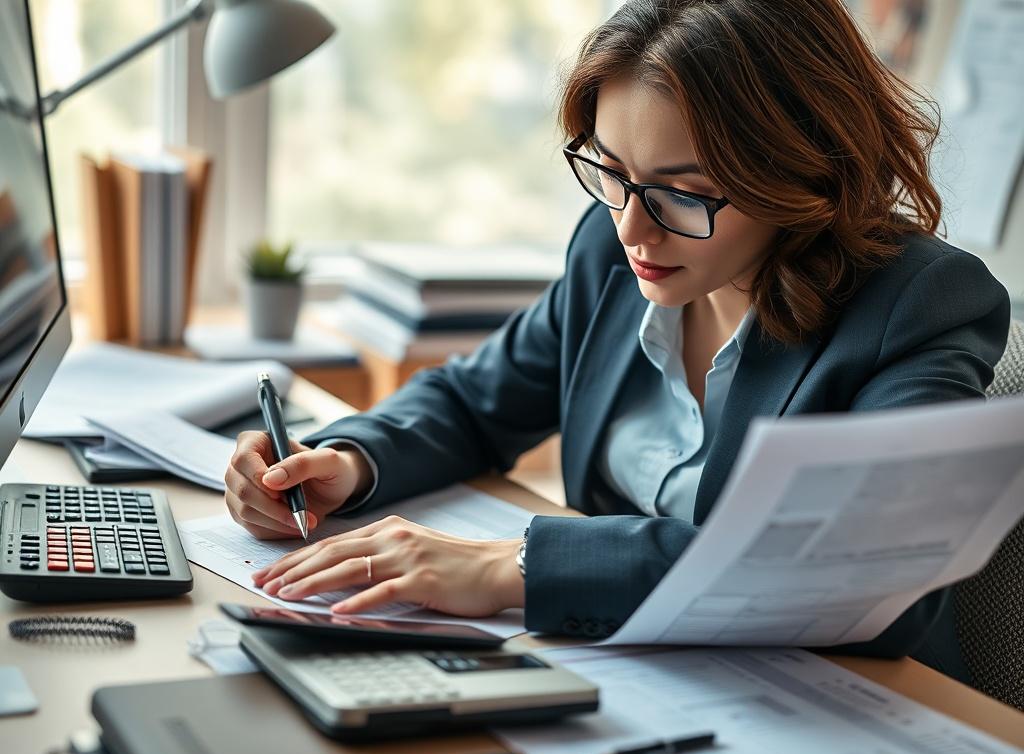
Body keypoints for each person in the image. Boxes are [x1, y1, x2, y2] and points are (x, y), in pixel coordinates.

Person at [224, 0, 1010, 682]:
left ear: (800, 171)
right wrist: (346, 463)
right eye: (610, 170)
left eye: (684, 192)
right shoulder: (611, 251)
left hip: (836, 704)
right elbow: (475, 402)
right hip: (630, 673)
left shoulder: (917, 301)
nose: (632, 226)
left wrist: (516, 565)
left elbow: (864, 569)